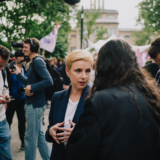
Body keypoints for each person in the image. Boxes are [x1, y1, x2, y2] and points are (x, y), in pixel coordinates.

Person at [65, 39, 160, 160]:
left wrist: (78, 134)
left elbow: (79, 151)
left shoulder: (101, 100)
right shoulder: (150, 96)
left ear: (103, 66)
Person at [45, 50, 93, 160]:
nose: (84, 76)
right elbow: (50, 127)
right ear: (68, 71)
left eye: (88, 71)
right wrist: (51, 131)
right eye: (78, 70)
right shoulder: (57, 97)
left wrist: (78, 134)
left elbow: (102, 137)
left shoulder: (96, 98)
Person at [10, 38, 53, 160]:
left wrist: (32, 87)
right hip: (35, 104)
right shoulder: (34, 61)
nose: (23, 49)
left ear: (33, 48)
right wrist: (18, 73)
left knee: (30, 138)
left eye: (26, 47)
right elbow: (29, 83)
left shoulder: (37, 61)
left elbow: (48, 81)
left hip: (34, 105)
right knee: (39, 136)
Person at [6, 49, 27, 150]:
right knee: (8, 121)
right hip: (12, 99)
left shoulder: (25, 68)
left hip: (22, 99)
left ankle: (23, 142)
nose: (25, 58)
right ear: (18, 57)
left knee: (22, 121)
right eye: (23, 56)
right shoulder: (9, 68)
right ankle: (5, 142)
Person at [0, 45, 13, 160]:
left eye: (3, 66)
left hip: (2, 120)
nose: (1, 68)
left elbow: (5, 88)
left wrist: (6, 96)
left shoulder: (2, 71)